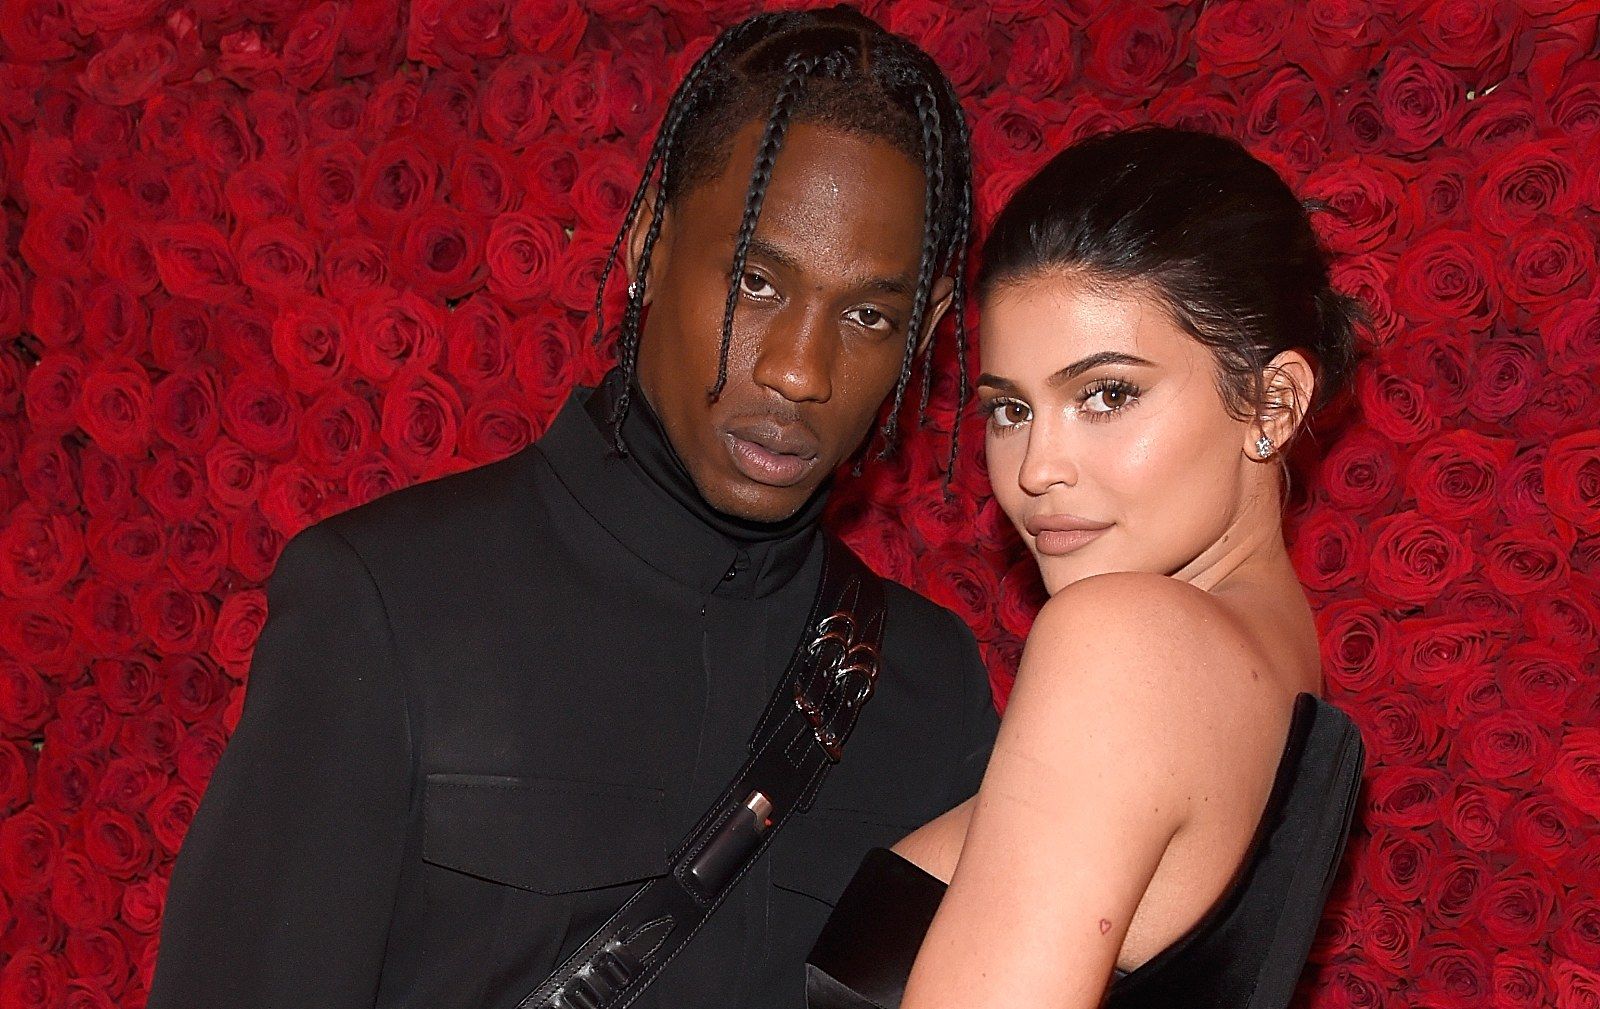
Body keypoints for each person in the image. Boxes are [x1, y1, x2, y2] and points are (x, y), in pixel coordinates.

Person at [147, 9, 998, 1009]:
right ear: (646, 243)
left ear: (926, 331)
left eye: (868, 315)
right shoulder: (389, 608)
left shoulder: (928, 693)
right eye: (756, 280)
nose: (799, 371)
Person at [805, 127, 1367, 1009]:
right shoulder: (1275, 661)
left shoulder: (1124, 643)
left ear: (1273, 400)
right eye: (1010, 409)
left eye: (1107, 393)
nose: (1035, 468)